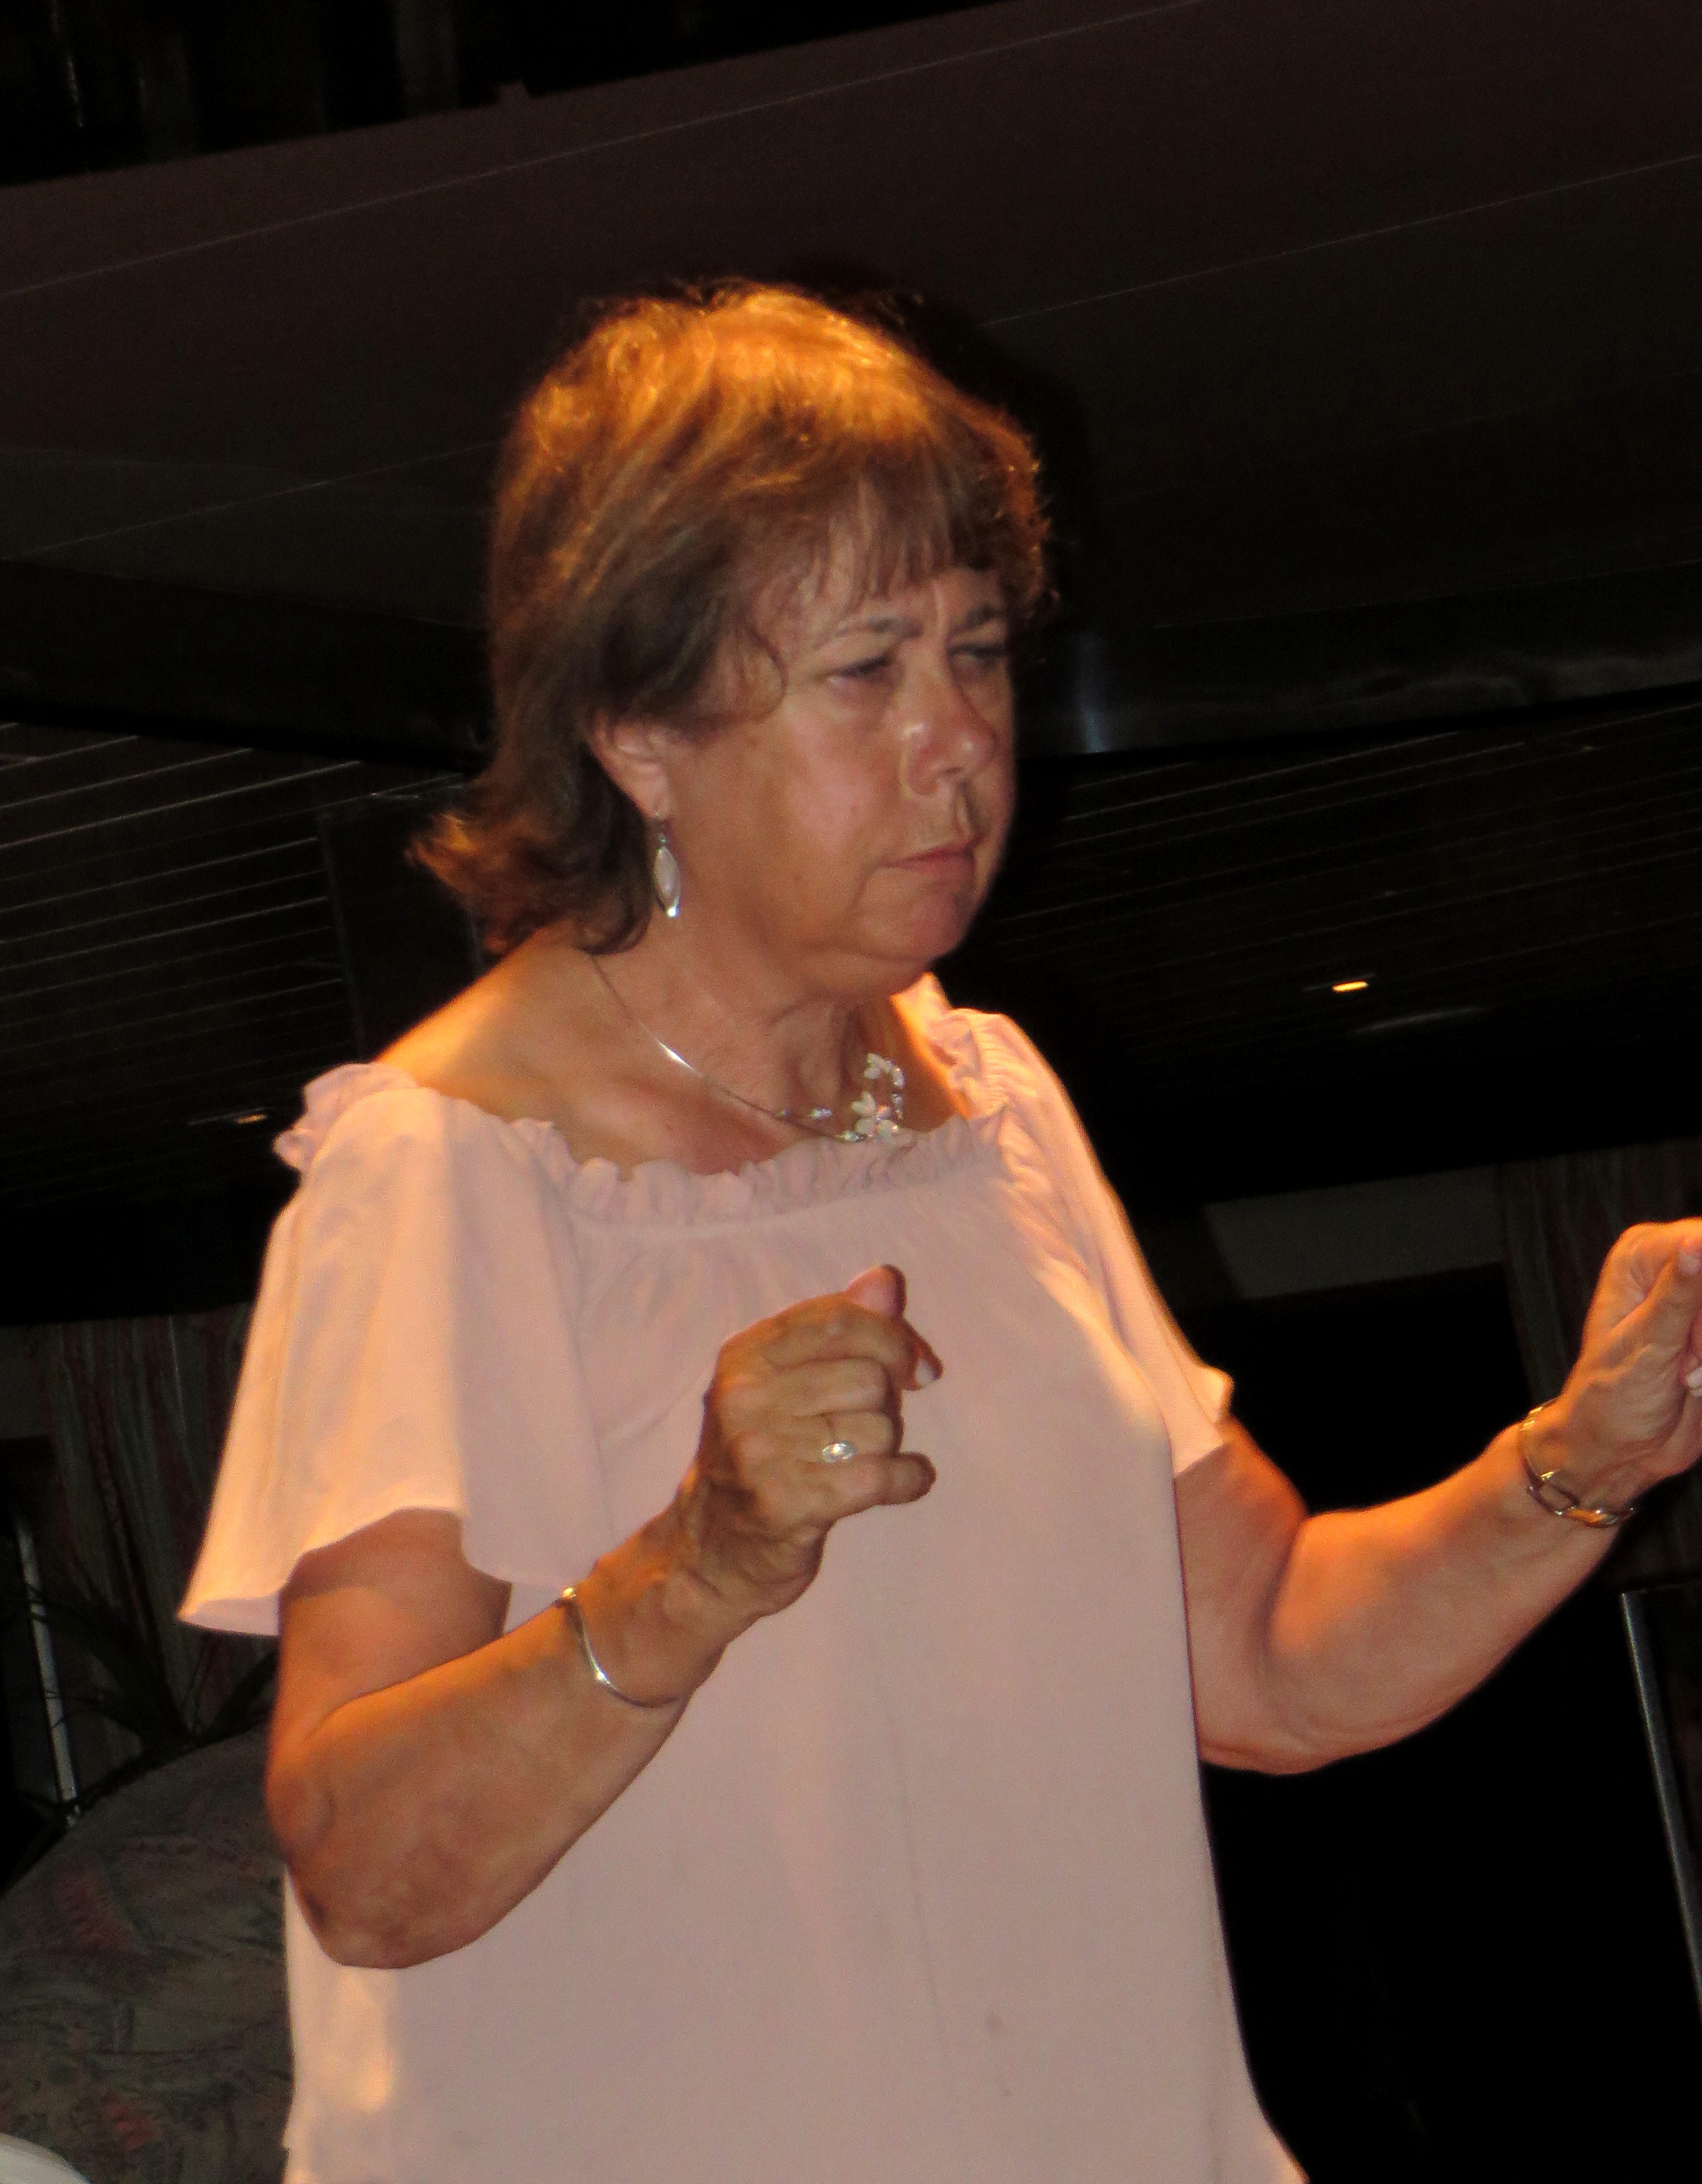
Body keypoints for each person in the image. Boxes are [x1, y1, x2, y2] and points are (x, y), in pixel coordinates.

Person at [184, 285, 1702, 2184]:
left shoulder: (992, 1110)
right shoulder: (450, 1167)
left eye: (976, 654)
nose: (955, 744)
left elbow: (1266, 1660)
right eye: (864, 672)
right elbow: (365, 1869)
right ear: (638, 732)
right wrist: (697, 1567)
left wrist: (1587, 1455)